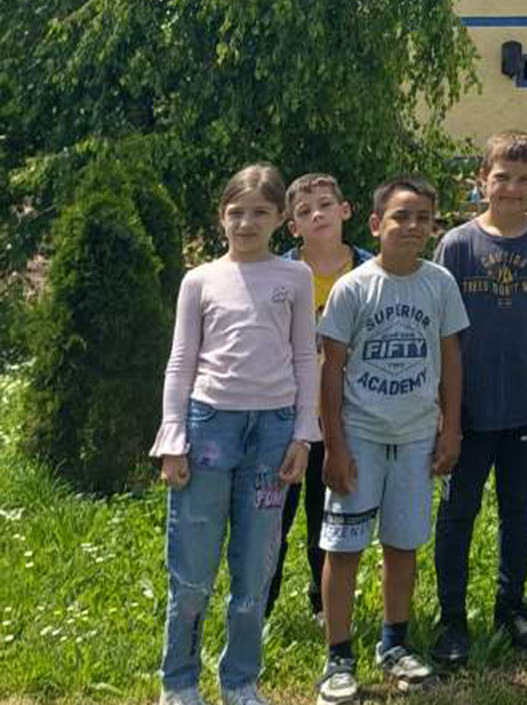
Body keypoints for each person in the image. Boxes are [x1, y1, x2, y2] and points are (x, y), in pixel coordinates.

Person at [153, 164, 320, 705]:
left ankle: (241, 679)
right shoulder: (200, 279)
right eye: (236, 213)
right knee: (192, 571)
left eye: (259, 213)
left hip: (272, 434)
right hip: (209, 429)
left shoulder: (294, 278)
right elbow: (181, 360)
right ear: (221, 216)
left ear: (280, 218)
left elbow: (305, 358)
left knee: (254, 570)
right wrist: (173, 438)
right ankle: (179, 682)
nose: (246, 223)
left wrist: (303, 434)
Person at [314, 177, 466, 704]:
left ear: (433, 227)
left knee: (403, 544)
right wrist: (334, 445)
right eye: (401, 216)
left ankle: (394, 643)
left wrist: (451, 427)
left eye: (423, 217)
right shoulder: (354, 288)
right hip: (361, 437)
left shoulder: (439, 284)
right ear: (376, 224)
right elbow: (331, 370)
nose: (412, 226)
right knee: (345, 547)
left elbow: (451, 358)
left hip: (418, 436)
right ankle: (338, 656)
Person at [430, 132, 527, 665]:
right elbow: (440, 331)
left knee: (519, 511)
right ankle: (451, 618)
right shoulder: (457, 246)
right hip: (467, 410)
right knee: (458, 513)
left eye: (524, 179)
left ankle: (511, 608)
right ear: (482, 179)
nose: (512, 188)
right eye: (502, 177)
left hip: (524, 405)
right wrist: (442, 409)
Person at [265, 173, 370, 623]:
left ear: (345, 211)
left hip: (348, 414)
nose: (318, 215)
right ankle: (258, 607)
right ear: (292, 227)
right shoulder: (280, 274)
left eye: (326, 205)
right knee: (274, 515)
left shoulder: (370, 271)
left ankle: (325, 604)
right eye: (305, 212)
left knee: (328, 516)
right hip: (288, 415)